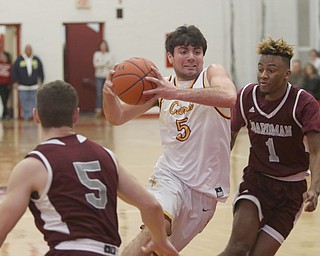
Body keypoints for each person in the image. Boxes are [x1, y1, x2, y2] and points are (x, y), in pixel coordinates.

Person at [0, 80, 179, 256]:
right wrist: (160, 240)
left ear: (37, 115)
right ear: (76, 115)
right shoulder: (107, 156)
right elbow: (152, 206)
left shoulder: (33, 166)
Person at [103, 25, 237, 255]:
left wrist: (173, 93)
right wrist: (108, 95)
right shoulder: (159, 87)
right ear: (170, 57)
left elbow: (229, 96)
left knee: (156, 251)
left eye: (197, 51)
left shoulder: (212, 74)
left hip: (205, 189)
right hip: (170, 176)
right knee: (153, 233)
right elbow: (117, 117)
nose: (191, 57)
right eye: (183, 51)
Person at [218, 37, 320, 256]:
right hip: (257, 182)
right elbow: (231, 134)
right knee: (237, 248)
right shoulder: (246, 96)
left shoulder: (303, 103)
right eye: (260, 69)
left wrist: (314, 188)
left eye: (271, 70)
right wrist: (216, 169)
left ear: (286, 74)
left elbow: (316, 150)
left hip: (291, 192)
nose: (263, 75)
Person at [12, 44, 44, 120]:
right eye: (27, 49)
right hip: (23, 86)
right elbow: (15, 71)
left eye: (30, 49)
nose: (29, 51)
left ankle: (32, 116)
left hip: (34, 85)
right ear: (25, 50)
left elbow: (41, 70)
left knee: (34, 101)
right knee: (24, 101)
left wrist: (41, 80)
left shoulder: (36, 59)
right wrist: (15, 81)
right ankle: (27, 116)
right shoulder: (19, 60)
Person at [93, 40, 114, 117]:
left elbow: (111, 64)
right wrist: (105, 63)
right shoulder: (96, 54)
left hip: (107, 77)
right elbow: (95, 64)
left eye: (104, 45)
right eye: (102, 45)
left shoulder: (110, 54)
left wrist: (100, 63)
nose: (103, 47)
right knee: (99, 94)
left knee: (108, 93)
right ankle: (98, 111)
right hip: (98, 76)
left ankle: (108, 112)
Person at [0, 51, 12, 119]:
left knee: (5, 100)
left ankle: (5, 114)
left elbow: (12, 75)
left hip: (6, 85)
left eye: (3, 56)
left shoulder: (9, 65)